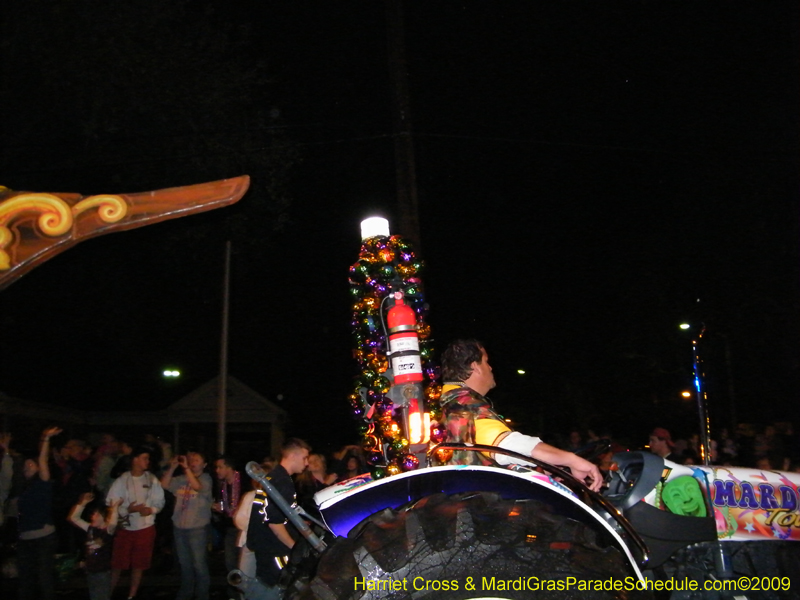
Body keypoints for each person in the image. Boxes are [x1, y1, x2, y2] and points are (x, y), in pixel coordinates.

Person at [438, 339, 603, 492]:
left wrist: (548, 468)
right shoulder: (464, 405)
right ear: (475, 366)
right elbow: (507, 445)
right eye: (486, 361)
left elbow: (487, 457)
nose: (490, 368)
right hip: (479, 511)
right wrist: (571, 459)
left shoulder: (450, 403)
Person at [246, 438, 310, 599]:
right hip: (275, 550)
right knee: (274, 591)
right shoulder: (283, 481)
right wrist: (294, 549)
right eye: (304, 458)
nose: (307, 463)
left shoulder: (273, 477)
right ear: (293, 456)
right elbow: (275, 523)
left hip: (265, 546)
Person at [106, 446, 165, 600]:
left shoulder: (152, 479)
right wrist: (128, 509)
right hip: (125, 527)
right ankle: (107, 594)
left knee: (139, 564)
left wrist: (151, 509)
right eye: (144, 458)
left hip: (145, 527)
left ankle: (132, 595)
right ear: (135, 460)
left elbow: (160, 501)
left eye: (148, 458)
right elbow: (111, 503)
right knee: (118, 564)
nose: (147, 461)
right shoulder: (122, 480)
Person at [161, 451, 213, 600]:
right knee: (184, 564)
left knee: (199, 564)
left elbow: (197, 486)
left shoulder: (206, 478)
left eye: (197, 460)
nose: (192, 462)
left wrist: (187, 469)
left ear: (204, 464)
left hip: (197, 528)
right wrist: (172, 468)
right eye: (191, 459)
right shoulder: (181, 479)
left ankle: (202, 594)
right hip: (179, 526)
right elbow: (163, 485)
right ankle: (186, 592)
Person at [17, 426, 61, 600]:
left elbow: (43, 460)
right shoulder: (22, 490)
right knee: (26, 581)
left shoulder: (42, 484)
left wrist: (46, 439)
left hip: (43, 537)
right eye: (25, 464)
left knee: (44, 579)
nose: (28, 465)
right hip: (25, 539)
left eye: (31, 463)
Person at [68, 492, 122, 600]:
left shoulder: (106, 532)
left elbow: (113, 524)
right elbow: (74, 518)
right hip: (91, 571)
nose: (93, 516)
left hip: (102, 573)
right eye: (93, 514)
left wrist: (114, 508)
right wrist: (82, 503)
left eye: (97, 515)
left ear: (105, 519)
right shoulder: (90, 529)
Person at [213, 454, 242, 598]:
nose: (217, 470)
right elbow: (226, 507)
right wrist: (219, 508)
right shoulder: (222, 485)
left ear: (229, 468)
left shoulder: (244, 481)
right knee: (230, 564)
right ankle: (233, 595)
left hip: (243, 530)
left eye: (220, 467)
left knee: (243, 564)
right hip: (230, 528)